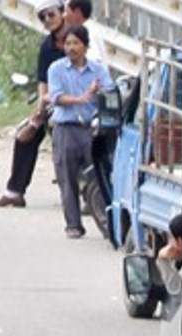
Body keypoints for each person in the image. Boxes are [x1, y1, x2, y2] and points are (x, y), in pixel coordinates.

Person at [0, 0, 67, 209]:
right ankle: (15, 191)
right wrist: (40, 109)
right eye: (43, 17)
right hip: (54, 102)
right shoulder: (47, 47)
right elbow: (43, 81)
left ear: (62, 12)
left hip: (78, 102)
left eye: (50, 14)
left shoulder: (80, 38)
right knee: (26, 137)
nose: (48, 20)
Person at [47, 24, 114, 238]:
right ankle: (73, 225)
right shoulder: (56, 69)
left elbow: (110, 91)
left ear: (85, 46)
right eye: (67, 43)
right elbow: (56, 97)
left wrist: (99, 92)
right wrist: (83, 98)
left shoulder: (98, 70)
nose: (71, 48)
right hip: (66, 129)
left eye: (76, 43)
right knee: (67, 179)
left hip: (91, 130)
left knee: (100, 177)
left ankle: (106, 223)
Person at [155, 212, 182, 295]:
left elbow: (176, 289)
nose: (170, 244)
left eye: (172, 238)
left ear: (180, 242)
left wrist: (163, 260)